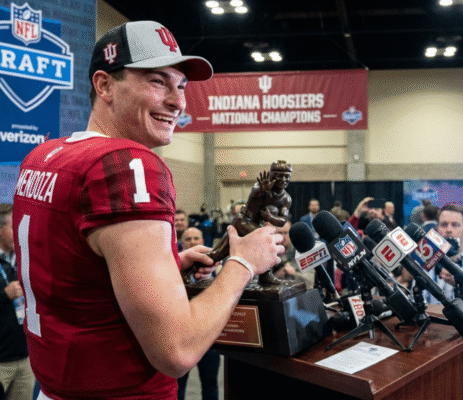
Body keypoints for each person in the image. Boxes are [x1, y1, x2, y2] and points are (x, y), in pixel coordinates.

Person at [12, 20, 283, 400]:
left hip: (55, 387)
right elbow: (176, 350)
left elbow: (76, 277)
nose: (178, 102)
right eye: (157, 82)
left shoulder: (44, 155)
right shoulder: (127, 165)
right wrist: (243, 264)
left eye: (181, 86)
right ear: (104, 85)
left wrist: (162, 269)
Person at [204, 161, 292, 285]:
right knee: (264, 241)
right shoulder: (261, 186)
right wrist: (261, 190)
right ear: (272, 175)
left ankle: (191, 269)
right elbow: (255, 193)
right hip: (243, 221)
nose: (283, 179)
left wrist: (270, 218)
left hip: (255, 225)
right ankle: (266, 276)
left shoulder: (286, 198)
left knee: (218, 253)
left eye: (287, 176)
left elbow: (282, 221)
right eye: (279, 175)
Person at [176, 227, 219, 400]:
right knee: (178, 387)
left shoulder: (215, 266)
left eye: (196, 238)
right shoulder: (173, 270)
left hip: (209, 336)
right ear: (182, 243)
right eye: (188, 239)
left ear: (202, 241)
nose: (192, 242)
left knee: (210, 384)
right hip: (182, 336)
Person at [0, 204, 34, 400]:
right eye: (14, 226)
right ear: (1, 229)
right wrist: (4, 295)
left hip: (25, 358)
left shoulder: (24, 257)